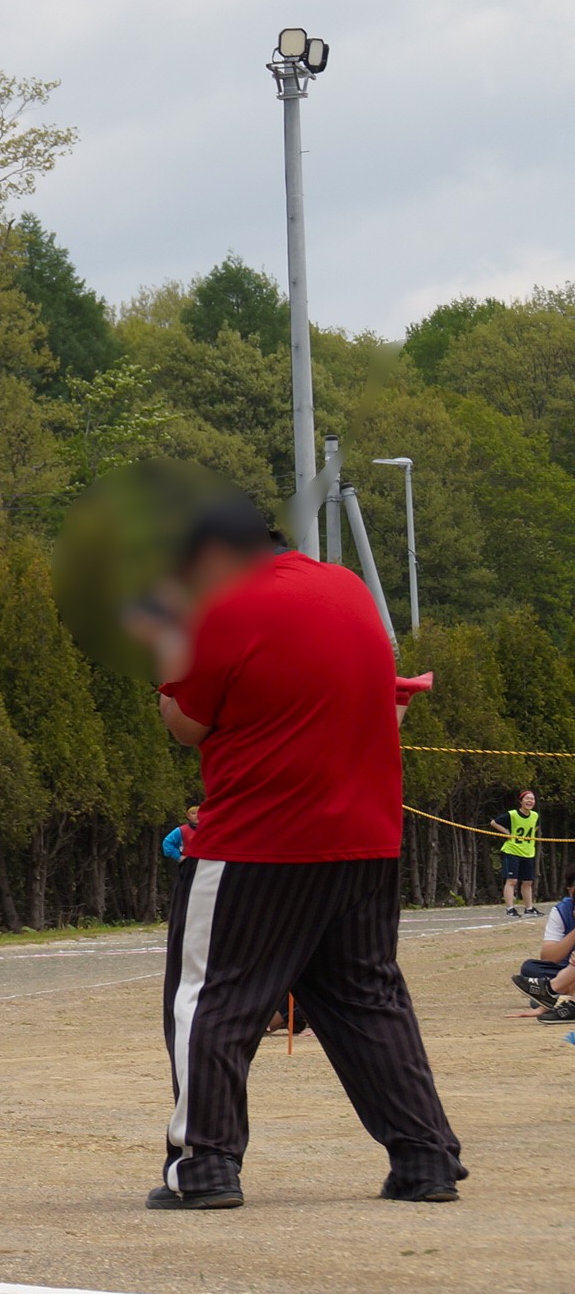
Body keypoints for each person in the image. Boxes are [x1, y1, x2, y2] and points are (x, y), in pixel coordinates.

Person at [140, 492, 464, 1210]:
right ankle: (425, 1160)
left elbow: (186, 723)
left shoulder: (222, 608)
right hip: (364, 843)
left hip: (257, 843)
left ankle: (205, 1165)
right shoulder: (345, 588)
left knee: (211, 1000)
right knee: (366, 1000)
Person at [509, 881, 575, 1016]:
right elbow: (549, 958)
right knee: (530, 967)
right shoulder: (563, 910)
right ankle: (555, 994)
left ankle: (554, 992)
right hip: (565, 971)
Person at [489, 789, 541, 915]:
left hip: (528, 852)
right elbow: (494, 823)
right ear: (521, 801)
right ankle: (510, 909)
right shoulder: (512, 814)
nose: (530, 801)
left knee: (528, 882)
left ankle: (529, 908)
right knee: (512, 880)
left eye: (532, 799)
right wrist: (507, 833)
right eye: (527, 798)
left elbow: (535, 827)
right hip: (512, 851)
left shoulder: (535, 816)